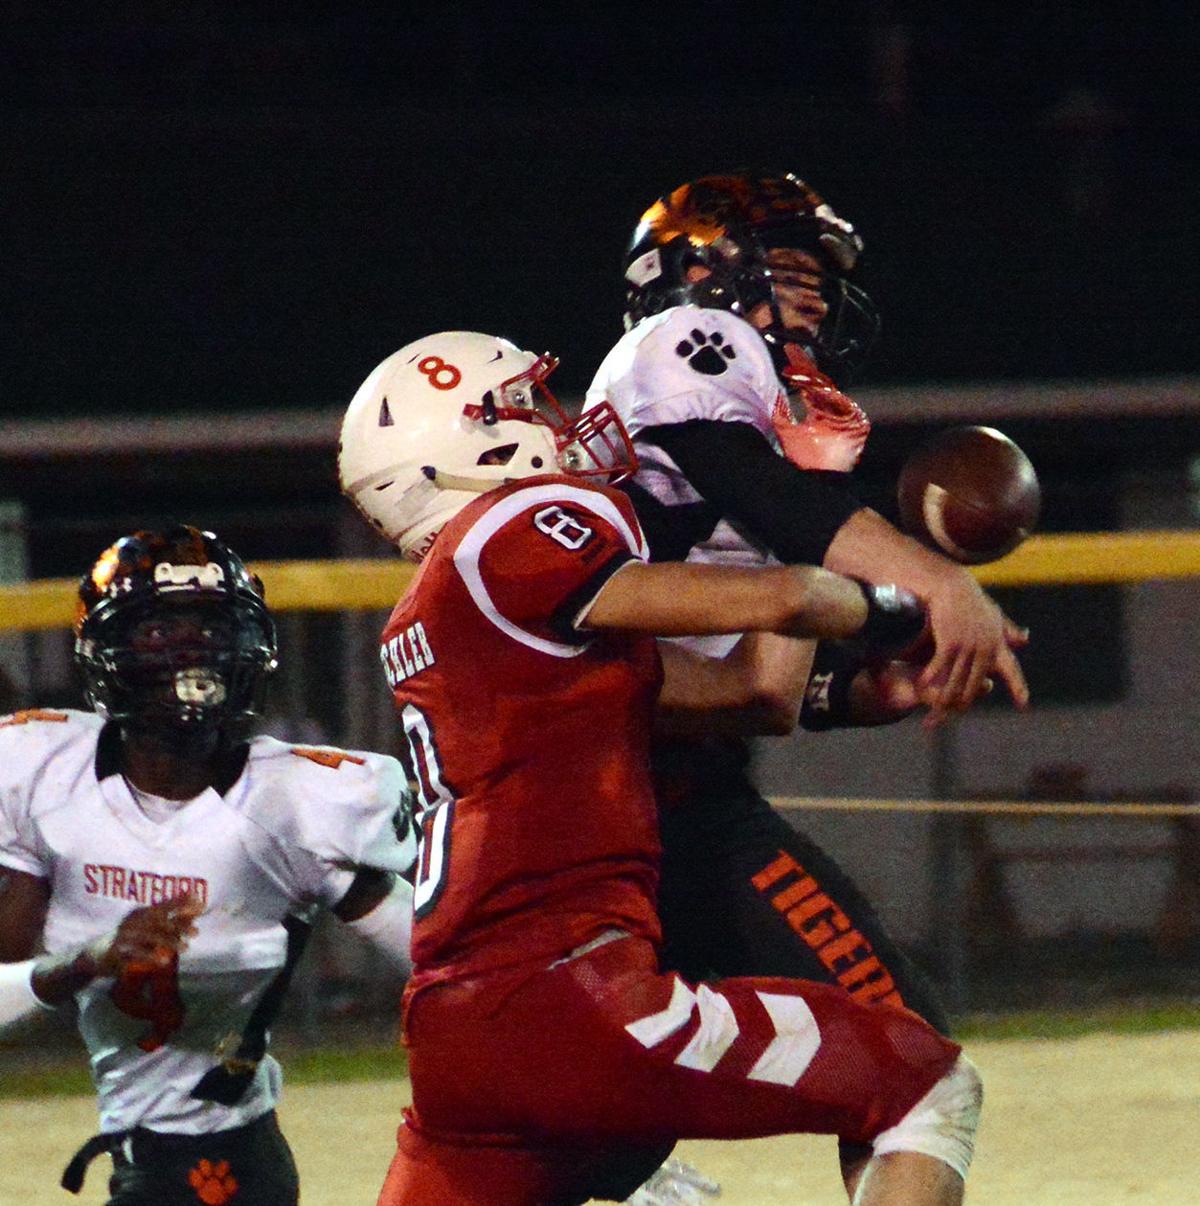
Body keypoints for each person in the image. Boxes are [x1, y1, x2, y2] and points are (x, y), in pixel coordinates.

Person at [339, 330, 982, 1206]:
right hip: (578, 994)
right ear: (470, 444)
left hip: (457, 1033)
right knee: (926, 1081)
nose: (557, 424)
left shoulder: (446, 615)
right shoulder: (503, 529)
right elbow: (790, 599)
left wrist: (804, 509)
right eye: (525, 405)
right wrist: (904, 606)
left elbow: (754, 691)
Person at [583, 171, 1028, 1190]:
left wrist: (861, 694)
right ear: (696, 272)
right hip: (608, 814)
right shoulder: (683, 345)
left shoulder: (757, 428)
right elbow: (763, 502)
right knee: (595, 1138)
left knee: (907, 1070)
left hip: (672, 796)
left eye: (823, 279)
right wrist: (937, 581)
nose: (816, 298)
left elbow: (757, 690)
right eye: (788, 269)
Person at [0, 525, 415, 1205]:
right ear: (105, 649)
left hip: (222, 1160)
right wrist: (82, 963)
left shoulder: (299, 799)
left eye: (210, 628)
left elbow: (446, 960)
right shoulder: (39, 772)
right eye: (161, 630)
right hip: (145, 1149)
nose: (191, 648)